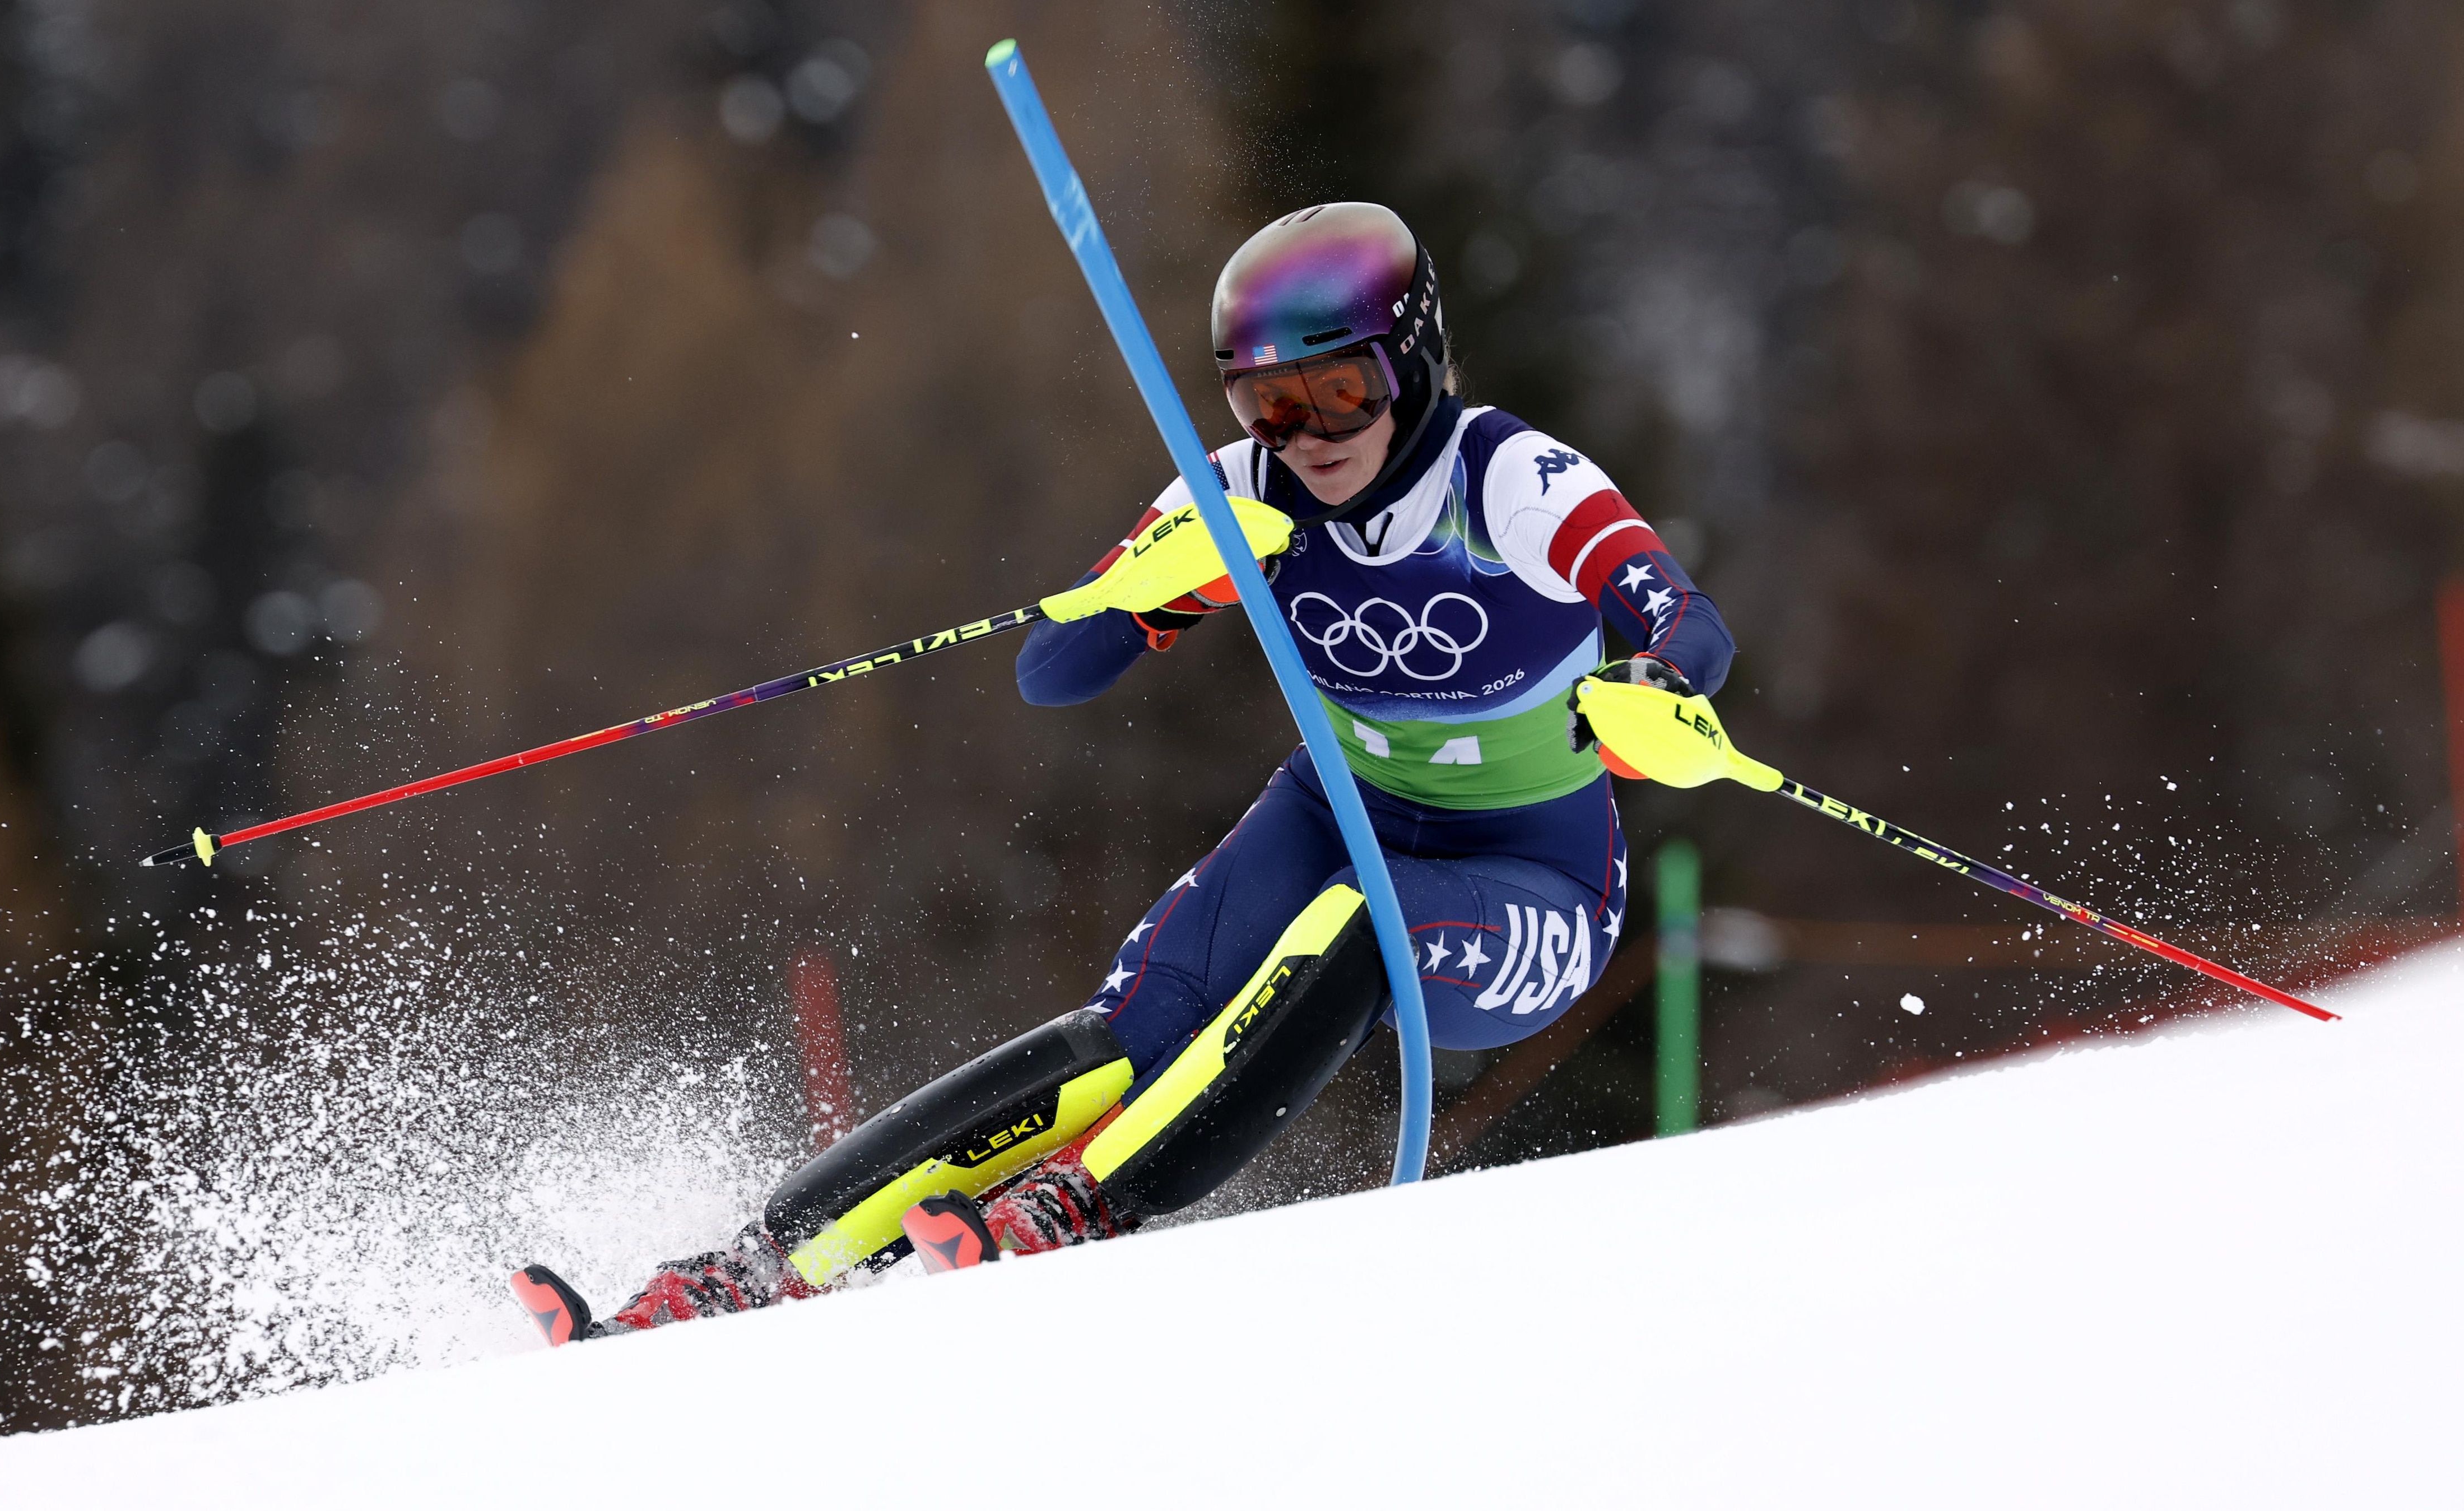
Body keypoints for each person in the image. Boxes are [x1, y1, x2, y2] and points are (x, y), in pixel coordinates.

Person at [510, 201, 1736, 1345]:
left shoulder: (1508, 480)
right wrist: (1164, 580)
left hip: (1527, 879)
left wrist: (1658, 688)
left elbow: (1686, 621)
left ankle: (1081, 1208)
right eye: (1268, 403)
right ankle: (749, 1271)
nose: (1305, 437)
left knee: (1361, 927)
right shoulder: (1243, 486)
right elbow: (1054, 668)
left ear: (1413, 365)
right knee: (1131, 1033)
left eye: (1339, 391)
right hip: (1336, 813)